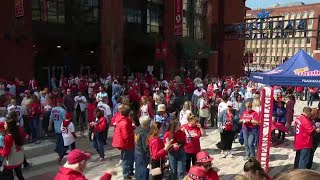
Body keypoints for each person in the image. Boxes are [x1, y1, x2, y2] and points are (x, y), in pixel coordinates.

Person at [112, 105, 135, 179]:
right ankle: (126, 174)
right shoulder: (124, 123)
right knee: (126, 159)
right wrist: (132, 133)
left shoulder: (123, 121)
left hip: (127, 143)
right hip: (126, 144)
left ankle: (130, 172)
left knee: (130, 158)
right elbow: (125, 136)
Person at [49, 99, 67, 164]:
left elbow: (51, 118)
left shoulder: (53, 110)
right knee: (63, 145)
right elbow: (65, 120)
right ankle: (60, 157)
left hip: (56, 128)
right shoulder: (63, 110)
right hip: (62, 129)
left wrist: (50, 125)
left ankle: (59, 152)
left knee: (59, 143)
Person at [134, 116, 151, 180]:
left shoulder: (138, 128)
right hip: (143, 154)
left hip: (137, 151)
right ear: (147, 124)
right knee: (143, 172)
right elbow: (146, 147)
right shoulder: (144, 134)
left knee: (138, 170)